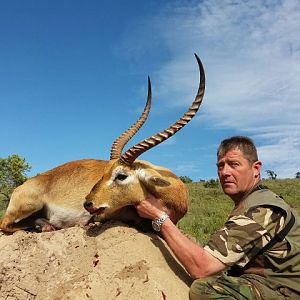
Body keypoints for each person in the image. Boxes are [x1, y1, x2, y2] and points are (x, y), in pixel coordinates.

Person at [135, 136, 300, 299]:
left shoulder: (261, 210)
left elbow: (201, 268)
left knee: (203, 289)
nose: (225, 172)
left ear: (256, 169)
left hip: (284, 291)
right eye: (221, 166)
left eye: (234, 164)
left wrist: (159, 218)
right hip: (271, 283)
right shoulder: (253, 201)